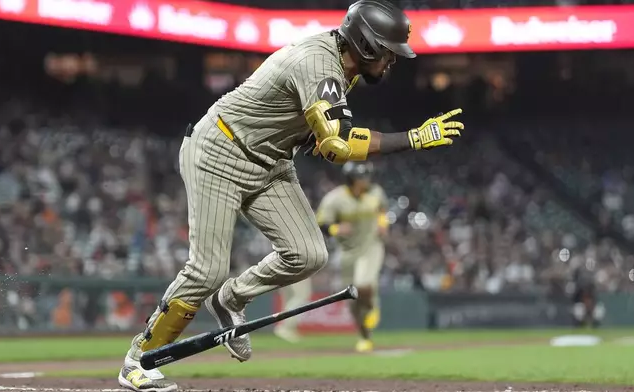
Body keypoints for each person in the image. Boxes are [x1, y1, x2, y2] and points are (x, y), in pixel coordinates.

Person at [118, 1, 464, 391]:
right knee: (207, 270)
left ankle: (231, 298)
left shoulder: (341, 63)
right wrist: (414, 138)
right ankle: (138, 360)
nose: (392, 61)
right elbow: (339, 144)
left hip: (270, 161)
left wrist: (315, 132)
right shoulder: (319, 62)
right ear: (366, 46)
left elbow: (321, 128)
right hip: (220, 153)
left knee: (309, 253)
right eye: (388, 52)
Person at [274, 162, 389, 353]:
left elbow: (383, 209)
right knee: (352, 299)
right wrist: (336, 229)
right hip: (347, 253)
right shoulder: (335, 199)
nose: (366, 181)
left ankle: (371, 308)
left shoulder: (375, 192)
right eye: (362, 177)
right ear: (351, 179)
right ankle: (364, 337)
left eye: (367, 177)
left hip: (371, 246)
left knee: (364, 283)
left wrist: (383, 224)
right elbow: (321, 223)